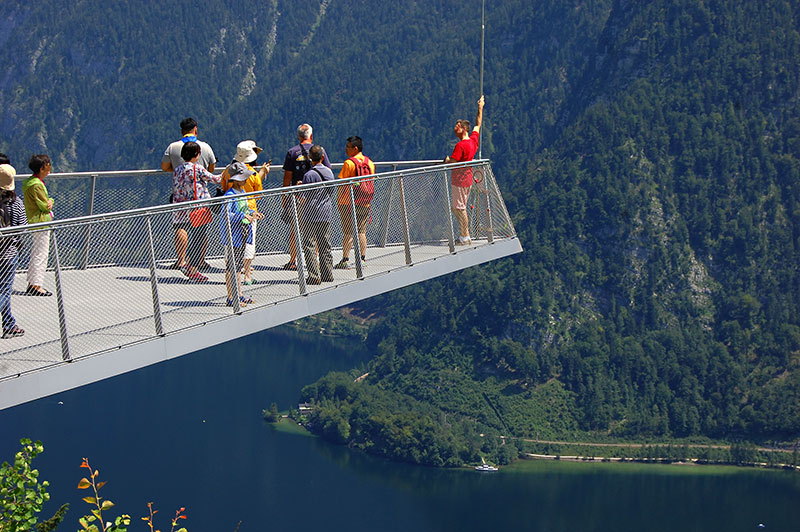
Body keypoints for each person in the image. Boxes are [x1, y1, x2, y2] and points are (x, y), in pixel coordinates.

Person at [162, 117, 217, 271]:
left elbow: (165, 166)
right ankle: (199, 260)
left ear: (181, 130)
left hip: (179, 196)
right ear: (196, 129)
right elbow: (211, 169)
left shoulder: (172, 147)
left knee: (180, 226)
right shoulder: (205, 147)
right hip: (199, 197)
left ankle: (181, 261)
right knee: (201, 228)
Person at [281, 123, 331, 270]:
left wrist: (284, 196)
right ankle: (314, 259)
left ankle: (292, 260)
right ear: (311, 136)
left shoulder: (292, 152)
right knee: (314, 229)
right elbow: (327, 171)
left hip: (297, 196)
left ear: (298, 136)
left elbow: (287, 177)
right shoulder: (320, 151)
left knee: (295, 228)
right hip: (318, 197)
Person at [220, 140, 269, 285]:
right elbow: (258, 193)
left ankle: (232, 273)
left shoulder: (228, 170)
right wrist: (262, 174)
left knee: (231, 244)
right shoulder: (253, 174)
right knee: (249, 243)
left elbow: (223, 185)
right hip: (249, 210)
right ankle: (247, 274)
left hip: (233, 210)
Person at [171, 141, 221, 283]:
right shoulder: (197, 168)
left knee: (184, 231)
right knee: (198, 238)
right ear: (197, 154)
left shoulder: (178, 169)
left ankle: (184, 262)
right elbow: (215, 179)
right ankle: (193, 269)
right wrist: (229, 172)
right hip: (197, 207)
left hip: (180, 206)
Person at [221, 162, 263, 306]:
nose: (246, 181)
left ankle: (239, 294)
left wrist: (252, 213)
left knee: (238, 266)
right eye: (244, 178)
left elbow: (244, 209)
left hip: (242, 233)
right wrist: (243, 217)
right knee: (232, 266)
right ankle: (231, 296)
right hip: (233, 236)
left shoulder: (242, 193)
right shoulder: (230, 195)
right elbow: (227, 215)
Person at [444, 95, 485, 245]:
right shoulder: (473, 141)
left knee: (459, 208)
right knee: (459, 207)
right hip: (467, 178)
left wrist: (447, 160)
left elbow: (452, 162)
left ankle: (465, 236)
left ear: (464, 129)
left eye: (458, 126)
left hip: (460, 180)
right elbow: (478, 124)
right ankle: (464, 234)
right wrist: (480, 107)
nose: (455, 129)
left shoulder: (460, 146)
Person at [334, 136, 375, 270]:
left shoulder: (349, 163)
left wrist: (339, 201)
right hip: (365, 202)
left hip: (348, 202)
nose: (345, 149)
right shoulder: (370, 163)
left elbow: (342, 183)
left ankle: (345, 259)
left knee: (348, 232)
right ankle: (362, 259)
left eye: (348, 146)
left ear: (355, 148)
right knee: (362, 232)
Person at [300, 145, 335, 285]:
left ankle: (314, 275)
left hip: (310, 213)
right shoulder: (329, 173)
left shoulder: (308, 175)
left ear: (310, 158)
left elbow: (304, 197)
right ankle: (328, 274)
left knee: (309, 244)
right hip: (325, 211)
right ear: (322, 157)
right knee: (325, 244)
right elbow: (331, 192)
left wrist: (298, 189)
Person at [23, 154, 54, 296]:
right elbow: (44, 206)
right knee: (41, 254)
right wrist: (51, 201)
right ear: (42, 168)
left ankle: (32, 282)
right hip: (41, 222)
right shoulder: (37, 185)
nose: (49, 169)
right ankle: (36, 285)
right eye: (48, 166)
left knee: (36, 252)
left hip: (33, 221)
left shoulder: (28, 182)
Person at [0, 164, 26, 338]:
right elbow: (22, 227)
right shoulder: (16, 202)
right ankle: (9, 325)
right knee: (4, 290)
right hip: (8, 253)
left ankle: (9, 324)